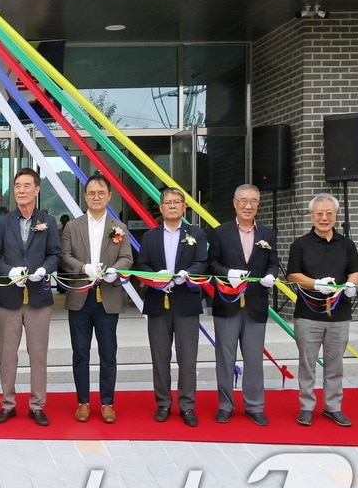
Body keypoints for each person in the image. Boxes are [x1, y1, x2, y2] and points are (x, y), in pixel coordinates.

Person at [58, 174, 134, 424]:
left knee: (108, 352)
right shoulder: (73, 226)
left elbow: (127, 258)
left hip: (108, 297)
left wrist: (114, 269)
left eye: (102, 193)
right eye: (92, 193)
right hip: (80, 297)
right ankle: (82, 402)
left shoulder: (118, 227)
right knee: (80, 352)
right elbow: (65, 257)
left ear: (109, 196)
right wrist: (82, 268)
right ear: (85, 196)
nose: (97, 197)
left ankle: (107, 402)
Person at [0, 167, 61, 426]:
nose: (21, 190)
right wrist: (9, 271)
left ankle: (37, 405)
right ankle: (7, 404)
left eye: (26, 185)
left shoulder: (48, 222)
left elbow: (55, 254)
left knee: (38, 353)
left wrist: (43, 270)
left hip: (39, 298)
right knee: (8, 353)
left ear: (37, 190)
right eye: (17, 185)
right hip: (10, 297)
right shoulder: (3, 222)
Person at [286, 193, 358, 428]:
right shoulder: (300, 244)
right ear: (311, 216)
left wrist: (353, 283)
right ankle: (307, 407)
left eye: (329, 213)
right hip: (308, 314)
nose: (324, 217)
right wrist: (315, 283)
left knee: (334, 364)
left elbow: (356, 270)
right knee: (307, 364)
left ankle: (333, 407)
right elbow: (292, 274)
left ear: (336, 215)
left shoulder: (347, 244)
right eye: (319, 213)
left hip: (339, 315)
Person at [207, 184, 279, 426]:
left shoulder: (268, 234)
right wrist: (228, 273)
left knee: (254, 358)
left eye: (254, 201)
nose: (249, 206)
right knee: (225, 358)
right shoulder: (219, 232)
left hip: (256, 304)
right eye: (244, 201)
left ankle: (255, 405)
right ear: (235, 203)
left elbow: (273, 262)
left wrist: (271, 275)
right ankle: (225, 405)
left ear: (258, 204)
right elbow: (212, 264)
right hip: (227, 304)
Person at [135, 188, 208, 427]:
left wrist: (188, 274)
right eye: (168, 202)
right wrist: (156, 278)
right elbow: (142, 265)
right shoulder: (150, 236)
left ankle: (187, 405)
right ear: (162, 208)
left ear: (184, 207)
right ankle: (163, 403)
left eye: (177, 202)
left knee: (188, 358)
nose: (173, 206)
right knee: (160, 357)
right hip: (158, 302)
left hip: (186, 301)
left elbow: (202, 262)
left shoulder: (196, 233)